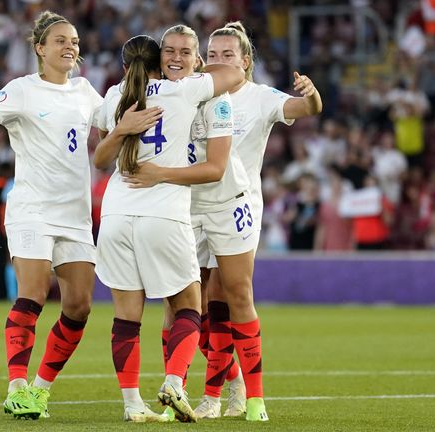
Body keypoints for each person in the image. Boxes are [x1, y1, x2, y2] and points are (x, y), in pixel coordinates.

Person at [0, 11, 157, 420]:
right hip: (32, 211)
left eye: (74, 40)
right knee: (34, 292)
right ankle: (17, 386)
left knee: (79, 307)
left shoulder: (84, 91)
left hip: (74, 215)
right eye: (60, 40)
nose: (70, 46)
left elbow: (115, 121)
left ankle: (40, 390)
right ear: (40, 48)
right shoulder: (22, 90)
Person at [129, 21, 322, 421]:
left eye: (227, 55)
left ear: (245, 62)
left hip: (236, 204)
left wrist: (313, 96)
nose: (218, 61)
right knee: (184, 306)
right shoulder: (191, 93)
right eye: (212, 55)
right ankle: (215, 382)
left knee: (230, 297)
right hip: (185, 205)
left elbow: (304, 109)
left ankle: (245, 398)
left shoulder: (259, 97)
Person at [93, 33, 244, 423]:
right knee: (189, 307)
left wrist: (123, 128)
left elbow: (99, 158)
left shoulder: (117, 95)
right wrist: (200, 66)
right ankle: (175, 382)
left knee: (126, 317)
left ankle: (131, 405)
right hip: (163, 215)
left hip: (114, 214)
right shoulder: (185, 91)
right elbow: (231, 72)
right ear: (161, 59)